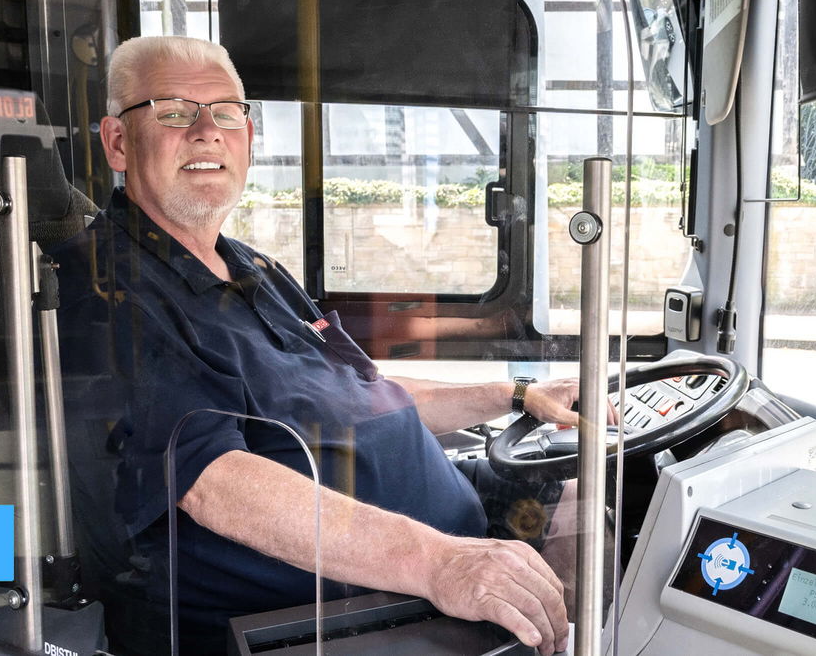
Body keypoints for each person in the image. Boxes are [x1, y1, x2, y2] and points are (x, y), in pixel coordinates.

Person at [48, 36, 589, 655]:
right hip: (331, 608)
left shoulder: (249, 266)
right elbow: (215, 482)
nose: (207, 131)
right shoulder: (107, 291)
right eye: (174, 111)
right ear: (118, 142)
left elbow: (363, 391)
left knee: (593, 501)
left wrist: (512, 393)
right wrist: (441, 564)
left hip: (427, 536)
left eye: (226, 112)